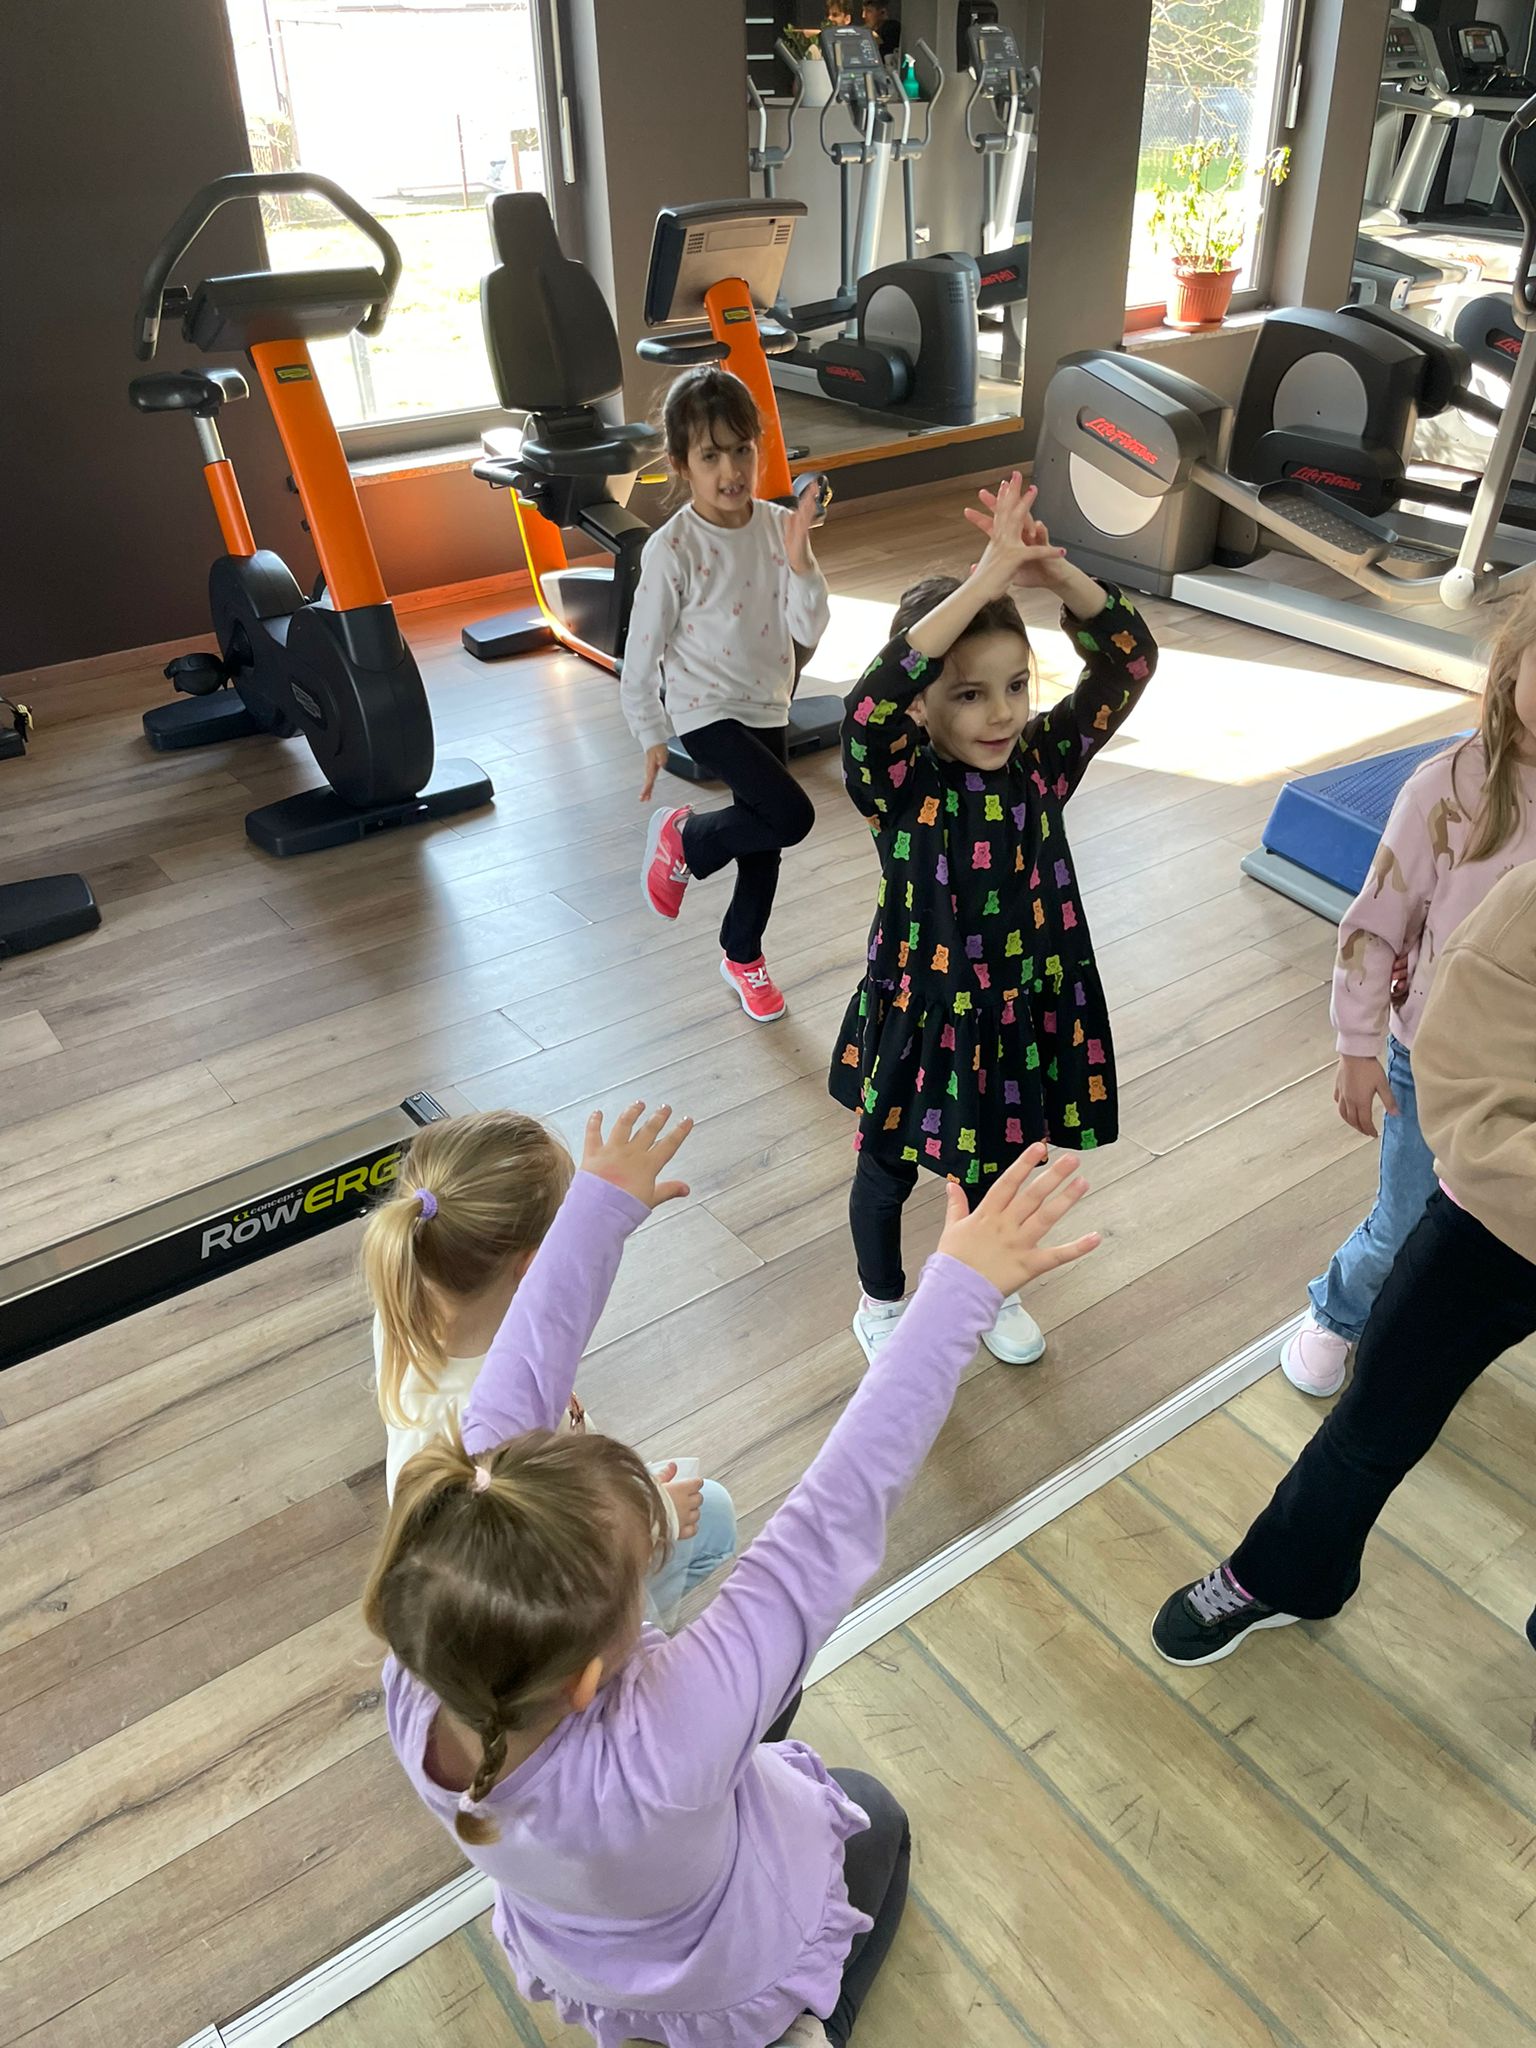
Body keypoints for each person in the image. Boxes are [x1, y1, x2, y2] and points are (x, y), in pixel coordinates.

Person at [367, 1104, 1099, 2048]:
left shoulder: (418, 1670)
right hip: (724, 1971)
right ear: (588, 1678)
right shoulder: (672, 1740)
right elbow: (830, 1518)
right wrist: (959, 1293)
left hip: (580, 1952)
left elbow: (507, 1395)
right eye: (641, 1570)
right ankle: (804, 2029)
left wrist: (595, 1211)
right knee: (877, 1817)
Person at [1151, 860, 1536, 1668]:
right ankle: (1284, 1573)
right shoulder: (1526, 903)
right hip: (1496, 1223)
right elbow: (1463, 1071)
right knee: (1374, 1419)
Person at [828, 472, 1157, 1365]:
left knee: (998, 1175)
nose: (1003, 711)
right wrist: (982, 582)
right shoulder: (900, 784)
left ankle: (980, 1288)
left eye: (1016, 685)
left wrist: (1054, 576)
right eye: (970, 694)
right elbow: (866, 707)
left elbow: (1129, 662)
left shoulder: (1042, 764)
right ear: (924, 704)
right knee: (887, 1170)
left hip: (1017, 1016)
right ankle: (881, 1302)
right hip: (923, 1014)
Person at [1280, 596, 1536, 1396]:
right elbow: (1375, 925)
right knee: (1405, 1219)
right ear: (1511, 664)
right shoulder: (1447, 788)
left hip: (1526, 1073)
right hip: (1434, 1062)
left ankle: (1430, 1334)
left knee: (1486, 1230)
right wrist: (1357, 1047)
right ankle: (1339, 1312)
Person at [361, 1107, 737, 1629]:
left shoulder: (404, 1300)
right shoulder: (486, 1437)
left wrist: (598, 1222)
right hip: (548, 1580)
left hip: (534, 1507)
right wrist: (655, 1519)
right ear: (534, 1266)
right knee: (714, 1515)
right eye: (566, 1231)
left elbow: (552, 1308)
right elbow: (541, 1553)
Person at [622, 368, 830, 1025]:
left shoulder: (778, 528)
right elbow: (642, 647)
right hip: (703, 709)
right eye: (711, 456)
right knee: (791, 815)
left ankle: (742, 954)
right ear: (681, 463)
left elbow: (808, 629)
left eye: (742, 450)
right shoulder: (673, 548)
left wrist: (802, 563)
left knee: (763, 845)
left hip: (767, 699)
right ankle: (687, 838)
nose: (731, 470)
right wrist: (650, 730)